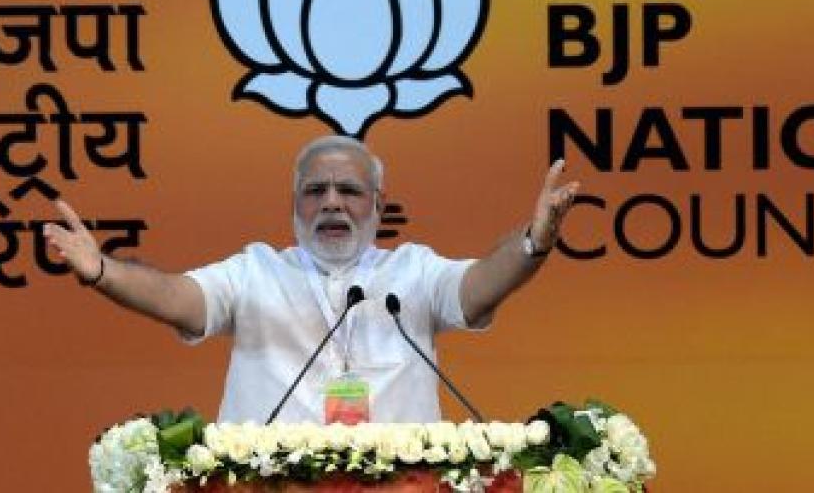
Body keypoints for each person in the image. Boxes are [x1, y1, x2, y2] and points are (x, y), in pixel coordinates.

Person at [43, 135, 578, 423]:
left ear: (378, 205)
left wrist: (533, 241)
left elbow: (481, 285)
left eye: (349, 191)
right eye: (315, 191)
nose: (332, 203)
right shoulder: (255, 271)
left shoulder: (414, 271)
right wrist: (104, 271)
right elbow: (177, 297)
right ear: (294, 205)